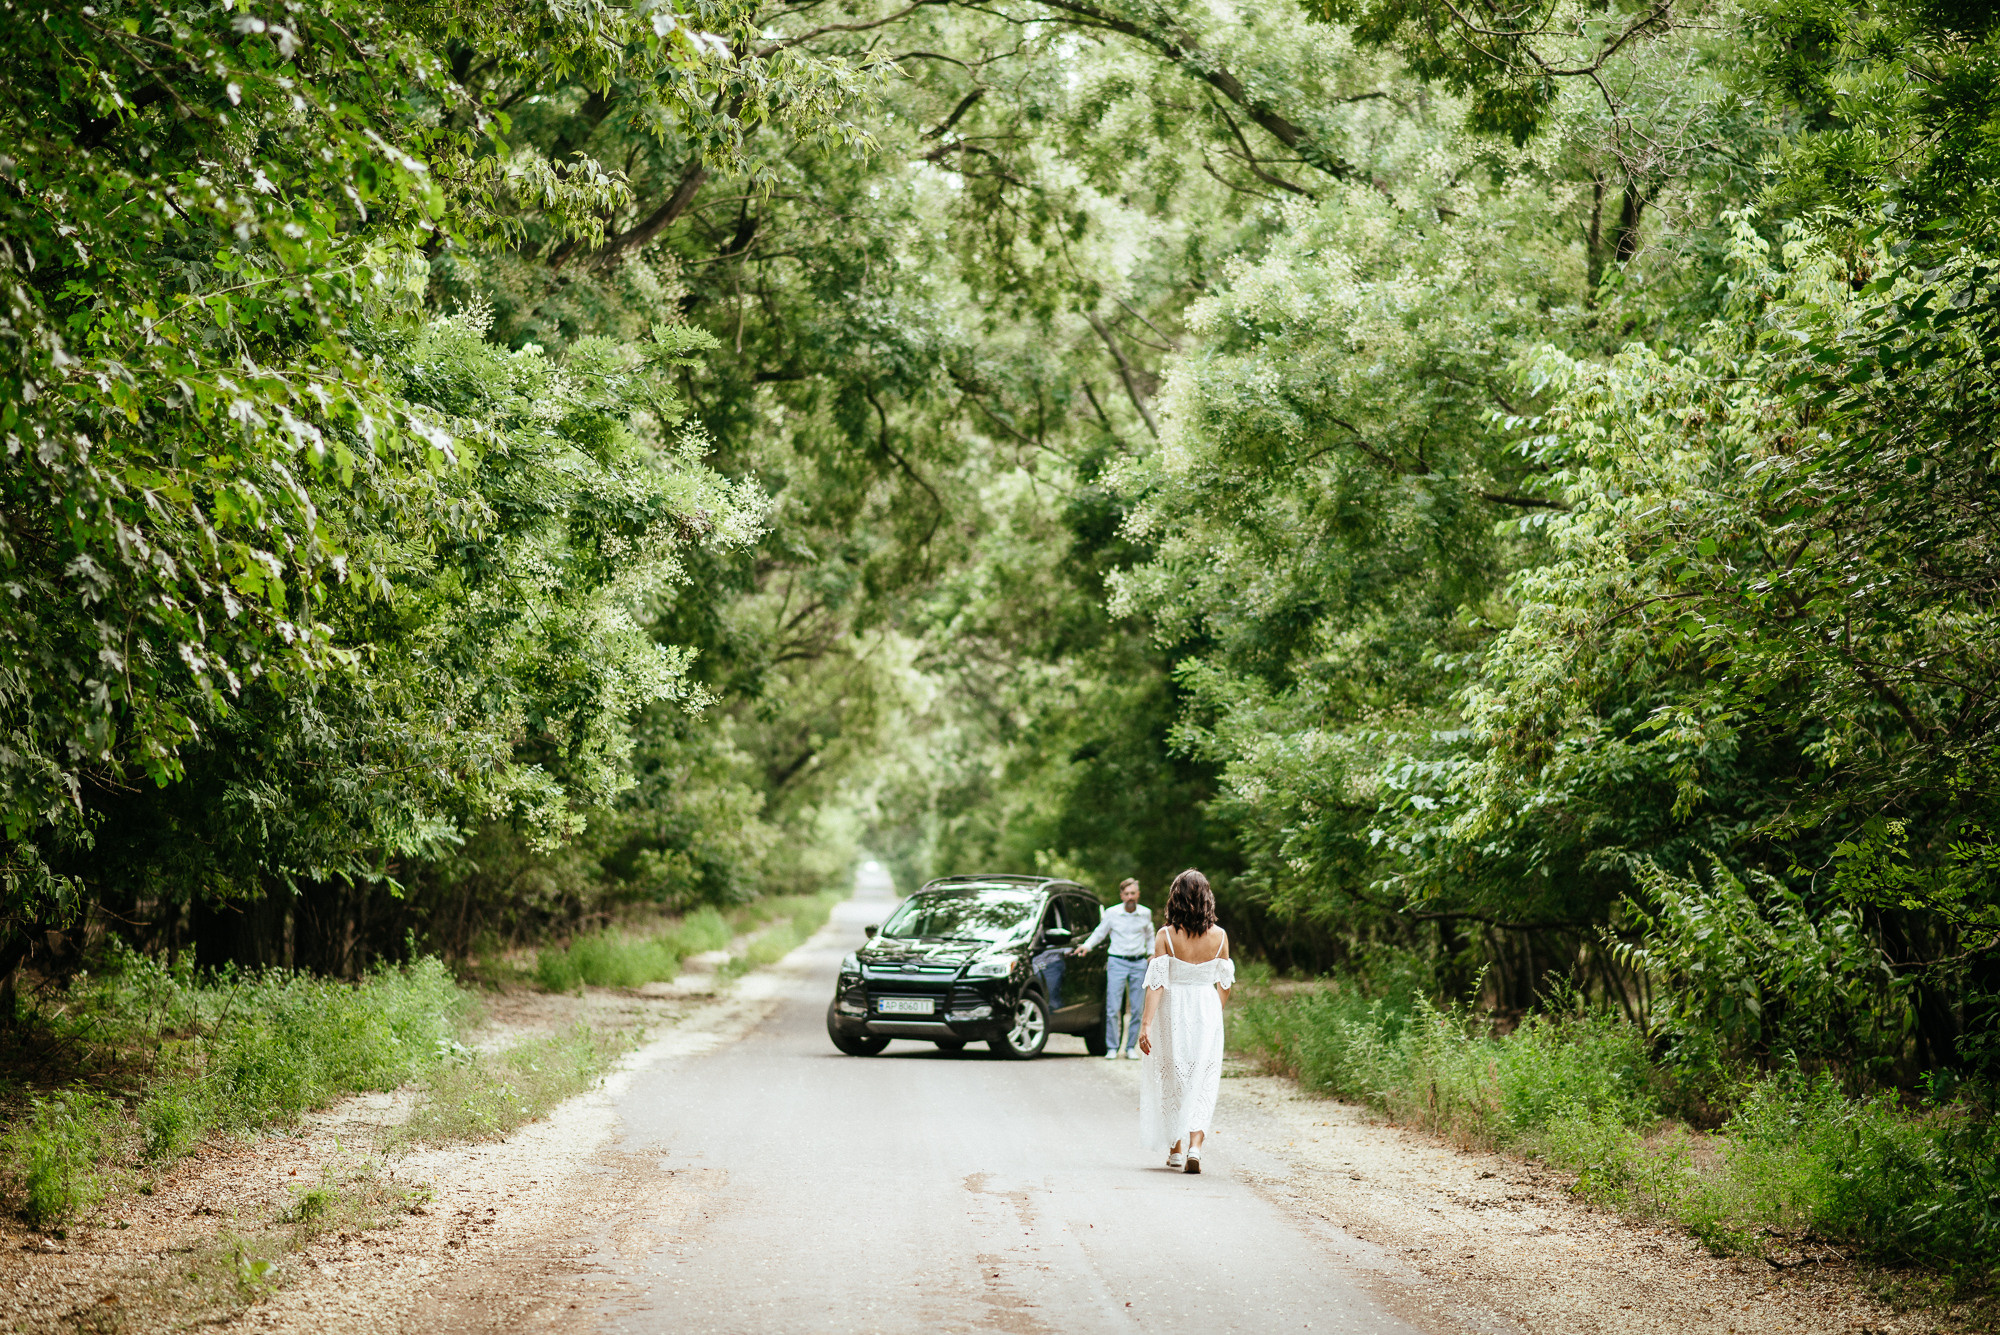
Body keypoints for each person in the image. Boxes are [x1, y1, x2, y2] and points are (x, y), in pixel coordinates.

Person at [1136, 869, 1233, 1174]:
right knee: (1202, 1077)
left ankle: (1175, 1150)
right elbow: (1225, 983)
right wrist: (1214, 1014)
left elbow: (1157, 984)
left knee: (1172, 1074)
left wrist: (1146, 1025)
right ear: (1207, 898)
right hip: (1207, 1009)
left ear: (1175, 897)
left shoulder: (1165, 935)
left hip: (1172, 1010)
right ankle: (1195, 1147)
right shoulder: (1220, 937)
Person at [1073, 878, 1152, 1059]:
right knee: (1113, 1007)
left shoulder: (1145, 914)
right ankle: (1112, 1047)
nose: (1130, 897)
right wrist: (1087, 946)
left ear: (1138, 894)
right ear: (1121, 895)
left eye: (1133, 893)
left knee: (1137, 1008)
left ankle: (1131, 1047)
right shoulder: (1112, 913)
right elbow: (1100, 932)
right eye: (1127, 894)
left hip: (1139, 963)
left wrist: (1152, 953)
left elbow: (1150, 936)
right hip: (1117, 962)